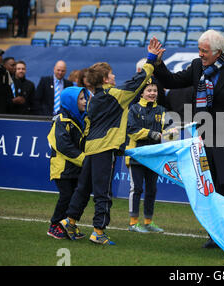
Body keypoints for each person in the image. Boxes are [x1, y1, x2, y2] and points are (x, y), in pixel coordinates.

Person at [152, 30, 224, 249]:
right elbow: (172, 81)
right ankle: (214, 234)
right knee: (209, 188)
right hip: (205, 138)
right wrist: (157, 63)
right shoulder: (196, 66)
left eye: (204, 51)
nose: (200, 54)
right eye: (199, 50)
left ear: (218, 51)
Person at [60, 39, 164, 245]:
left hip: (91, 148)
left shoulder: (95, 98)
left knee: (83, 188)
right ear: (106, 80)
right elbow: (137, 82)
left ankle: (69, 221)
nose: (115, 76)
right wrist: (151, 58)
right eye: (111, 74)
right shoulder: (113, 95)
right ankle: (98, 231)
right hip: (105, 149)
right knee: (103, 192)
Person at [125, 78, 170, 233]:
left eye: (155, 91)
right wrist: (153, 134)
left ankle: (148, 222)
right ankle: (133, 223)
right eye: (149, 90)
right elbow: (132, 130)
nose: (152, 93)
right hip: (136, 156)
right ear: (142, 93)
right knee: (136, 189)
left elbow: (169, 132)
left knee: (152, 190)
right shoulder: (134, 109)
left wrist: (171, 133)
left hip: (154, 157)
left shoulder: (162, 111)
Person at [47, 86, 89, 239]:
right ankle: (54, 225)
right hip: (62, 168)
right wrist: (85, 160)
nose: (85, 101)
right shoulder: (61, 120)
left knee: (74, 198)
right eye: (81, 99)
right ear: (71, 101)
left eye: (85, 98)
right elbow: (64, 146)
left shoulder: (82, 119)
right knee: (66, 196)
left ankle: (68, 225)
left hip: (76, 168)